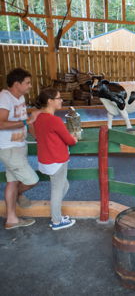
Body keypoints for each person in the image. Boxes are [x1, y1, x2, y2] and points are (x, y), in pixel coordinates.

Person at [0, 68, 40, 229]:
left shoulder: (20, 97)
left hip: (18, 146)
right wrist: (27, 122)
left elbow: (25, 120)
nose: (30, 86)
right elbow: (1, 123)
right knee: (32, 180)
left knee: (12, 181)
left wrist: (37, 137)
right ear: (16, 84)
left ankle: (11, 219)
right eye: (27, 83)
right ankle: (19, 195)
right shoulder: (5, 98)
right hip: (9, 148)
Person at [33, 88, 78, 230]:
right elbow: (69, 140)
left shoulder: (39, 118)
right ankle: (56, 221)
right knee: (57, 191)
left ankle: (56, 210)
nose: (61, 100)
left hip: (46, 160)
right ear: (50, 101)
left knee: (64, 186)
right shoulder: (54, 120)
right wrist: (75, 139)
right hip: (56, 161)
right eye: (58, 98)